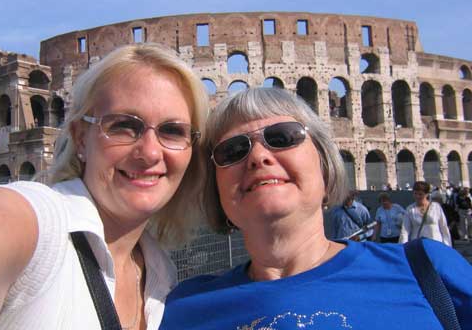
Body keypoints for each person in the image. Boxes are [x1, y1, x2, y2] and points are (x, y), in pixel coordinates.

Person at [159, 87, 472, 330]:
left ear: (324, 165)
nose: (258, 157)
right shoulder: (180, 309)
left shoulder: (427, 270)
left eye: (281, 137)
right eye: (233, 150)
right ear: (216, 189)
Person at [0, 43, 209, 330]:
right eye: (123, 125)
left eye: (172, 131)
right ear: (80, 139)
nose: (150, 153)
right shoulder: (41, 225)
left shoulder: (162, 275)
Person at [399, 181, 452, 247]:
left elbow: (444, 228)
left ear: (427, 194)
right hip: (418, 245)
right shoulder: (410, 209)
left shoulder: (436, 207)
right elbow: (405, 230)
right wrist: (402, 247)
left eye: (420, 194)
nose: (417, 196)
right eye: (415, 194)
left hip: (436, 244)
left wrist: (447, 246)